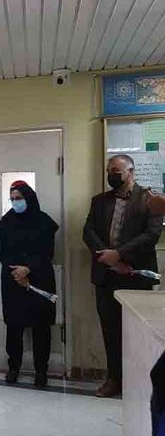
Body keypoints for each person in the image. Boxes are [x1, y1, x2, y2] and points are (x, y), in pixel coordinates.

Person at [83, 154, 163, 397]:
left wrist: (119, 254)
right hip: (106, 275)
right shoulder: (99, 201)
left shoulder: (150, 199)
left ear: (131, 171)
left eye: (116, 171)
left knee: (139, 333)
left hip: (136, 275)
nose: (111, 175)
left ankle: (140, 382)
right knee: (111, 331)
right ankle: (114, 379)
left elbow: (151, 235)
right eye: (109, 170)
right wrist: (108, 258)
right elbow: (88, 231)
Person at [0, 181, 59, 388]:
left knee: (41, 327)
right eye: (12, 199)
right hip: (13, 280)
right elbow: (2, 253)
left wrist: (28, 269)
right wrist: (17, 273)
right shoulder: (5, 222)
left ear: (29, 198)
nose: (16, 202)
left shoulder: (44, 222)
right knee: (14, 326)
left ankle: (41, 370)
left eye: (19, 198)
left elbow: (47, 252)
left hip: (40, 279)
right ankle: (13, 367)